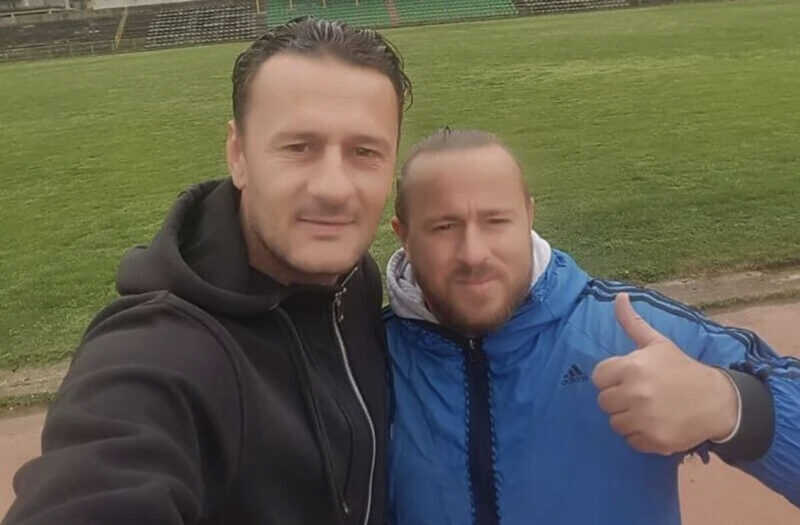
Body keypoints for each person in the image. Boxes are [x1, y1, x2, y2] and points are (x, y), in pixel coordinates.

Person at [3, 17, 411, 525]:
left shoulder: (354, 282)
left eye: (365, 152)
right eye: (298, 147)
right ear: (238, 155)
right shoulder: (158, 355)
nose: (333, 188)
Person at [384, 128, 800, 525]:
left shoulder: (625, 330)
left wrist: (729, 403)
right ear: (403, 235)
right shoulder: (367, 355)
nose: (474, 254)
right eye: (444, 227)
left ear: (529, 216)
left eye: (496, 221)